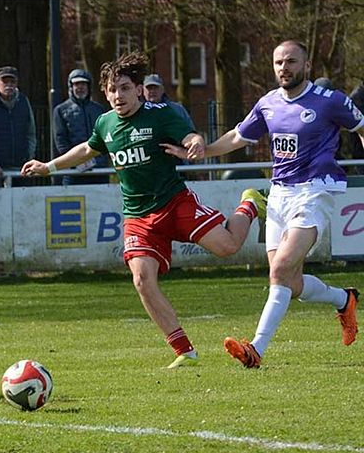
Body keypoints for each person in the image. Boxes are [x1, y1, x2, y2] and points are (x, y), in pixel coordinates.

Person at [21, 52, 265, 369]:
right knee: (141, 280)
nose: (117, 96)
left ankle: (250, 203)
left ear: (138, 89)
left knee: (228, 247)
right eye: (112, 90)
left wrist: (194, 141)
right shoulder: (105, 123)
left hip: (174, 202)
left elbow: (189, 134)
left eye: (124, 88)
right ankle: (184, 351)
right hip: (138, 216)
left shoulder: (160, 115)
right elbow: (86, 149)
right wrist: (49, 167)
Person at [170, 40, 364, 369]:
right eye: (278, 63)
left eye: (291, 62)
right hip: (280, 194)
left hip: (315, 190)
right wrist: (205, 149)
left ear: (307, 64)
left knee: (279, 269)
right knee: (291, 282)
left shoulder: (329, 101)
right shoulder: (268, 103)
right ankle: (343, 299)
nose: (284, 68)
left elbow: (362, 126)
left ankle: (255, 349)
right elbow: (238, 136)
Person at [52, 69, 108, 185]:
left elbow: (106, 137)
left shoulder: (99, 109)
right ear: (71, 87)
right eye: (77, 84)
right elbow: (61, 141)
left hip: (100, 170)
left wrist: (99, 161)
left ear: (89, 86)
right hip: (73, 172)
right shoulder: (61, 110)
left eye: (83, 84)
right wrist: (77, 162)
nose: (80, 87)